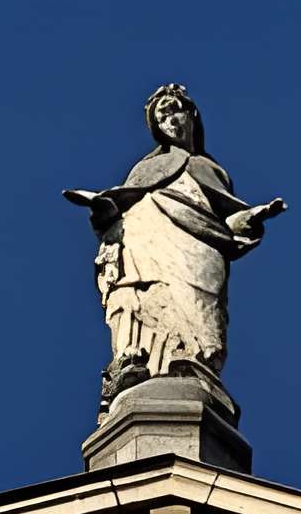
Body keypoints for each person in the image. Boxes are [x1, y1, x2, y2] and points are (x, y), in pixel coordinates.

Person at [65, 84, 286, 408]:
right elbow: (120, 210)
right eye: (161, 115)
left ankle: (198, 367)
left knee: (202, 310)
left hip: (200, 243)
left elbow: (229, 222)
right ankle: (139, 366)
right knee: (141, 295)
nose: (169, 119)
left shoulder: (213, 172)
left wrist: (254, 216)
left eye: (173, 110)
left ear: (191, 114)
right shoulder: (144, 170)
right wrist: (101, 206)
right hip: (147, 232)